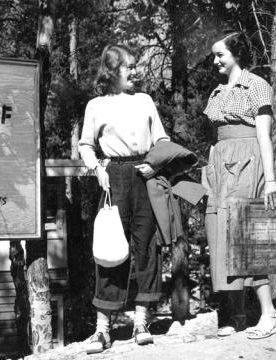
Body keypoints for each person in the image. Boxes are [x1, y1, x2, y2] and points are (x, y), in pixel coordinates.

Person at [79, 44, 169, 353]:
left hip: (145, 176)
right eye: (129, 66)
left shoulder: (144, 101)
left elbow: (162, 140)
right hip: (112, 177)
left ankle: (141, 322)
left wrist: (154, 162)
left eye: (134, 65)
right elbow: (86, 145)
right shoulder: (95, 106)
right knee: (111, 249)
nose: (135, 71)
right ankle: (102, 330)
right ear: (112, 70)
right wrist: (97, 168)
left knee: (146, 248)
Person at [202, 31, 276, 339]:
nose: (215, 60)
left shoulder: (257, 86)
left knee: (246, 236)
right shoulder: (218, 92)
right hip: (220, 164)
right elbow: (218, 136)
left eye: (220, 54)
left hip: (248, 162)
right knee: (219, 233)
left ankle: (269, 313)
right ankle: (236, 314)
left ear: (236, 54)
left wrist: (271, 180)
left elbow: (264, 135)